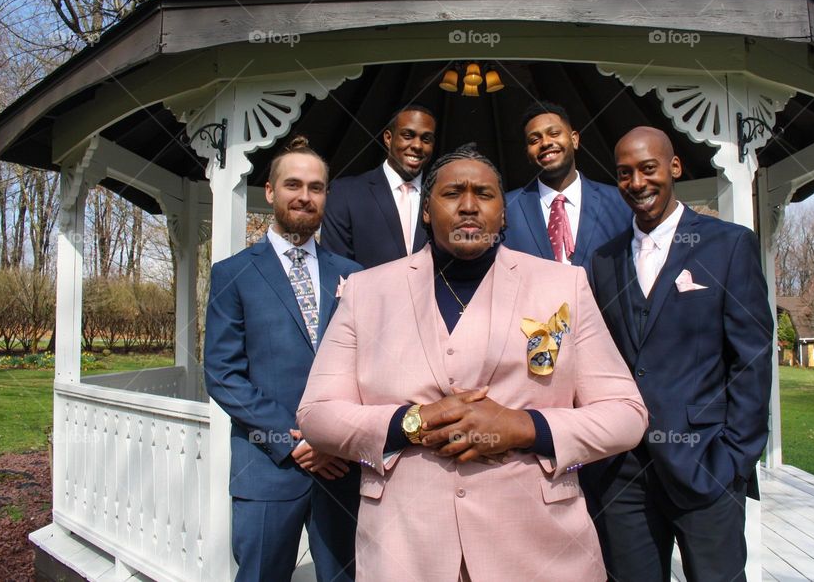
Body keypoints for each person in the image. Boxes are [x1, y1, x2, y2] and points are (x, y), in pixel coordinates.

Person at [297, 145, 648, 581]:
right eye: (451, 194)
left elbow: (626, 414)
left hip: (539, 549)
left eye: (483, 194)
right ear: (426, 211)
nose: (468, 206)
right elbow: (316, 414)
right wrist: (411, 422)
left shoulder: (563, 286)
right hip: (407, 548)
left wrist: (525, 427)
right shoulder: (366, 292)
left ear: (503, 214)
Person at [587, 126, 774, 582]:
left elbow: (752, 358)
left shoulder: (727, 245)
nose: (636, 183)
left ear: (674, 167)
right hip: (625, 473)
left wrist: (735, 459)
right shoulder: (603, 259)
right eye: (624, 173)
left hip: (706, 462)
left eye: (648, 169)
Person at [204, 137, 363, 582]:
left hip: (341, 468)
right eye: (293, 184)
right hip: (267, 468)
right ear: (270, 192)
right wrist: (293, 441)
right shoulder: (232, 274)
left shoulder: (354, 275)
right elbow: (223, 374)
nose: (305, 196)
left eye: (316, 187)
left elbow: (370, 368)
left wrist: (333, 438)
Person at [503, 101, 631, 269]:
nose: (546, 143)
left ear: (574, 139)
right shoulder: (507, 209)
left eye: (554, 133)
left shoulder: (619, 202)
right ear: (527, 153)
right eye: (535, 140)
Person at [321, 105, 436, 268]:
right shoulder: (345, 193)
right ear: (388, 138)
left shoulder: (442, 197)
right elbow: (336, 267)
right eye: (408, 135)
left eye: (426, 139)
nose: (417, 145)